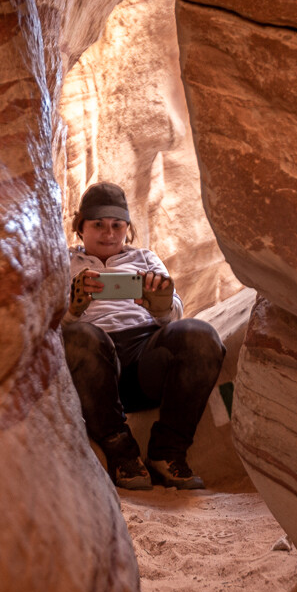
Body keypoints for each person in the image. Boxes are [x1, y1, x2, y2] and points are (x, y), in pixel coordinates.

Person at [62, 182, 225, 490]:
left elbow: (174, 318)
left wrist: (162, 307)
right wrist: (72, 311)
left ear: (128, 228)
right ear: (80, 227)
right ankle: (122, 454)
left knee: (200, 335)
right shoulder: (64, 262)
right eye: (98, 225)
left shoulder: (145, 258)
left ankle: (167, 453)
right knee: (79, 338)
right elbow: (48, 329)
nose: (109, 234)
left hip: (145, 356)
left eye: (117, 225)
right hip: (94, 362)